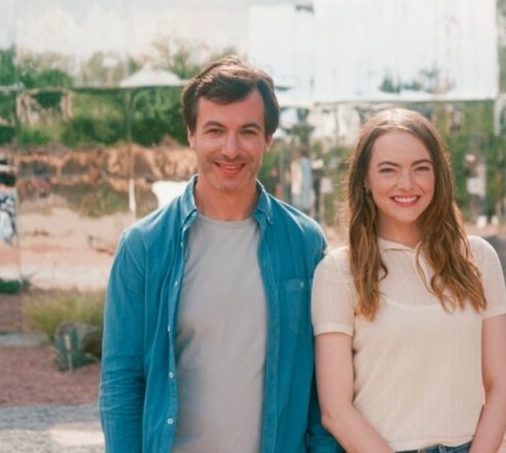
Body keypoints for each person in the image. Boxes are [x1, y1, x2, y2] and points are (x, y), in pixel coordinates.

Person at [99, 56, 336, 452]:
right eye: (215, 130)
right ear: (191, 134)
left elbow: (320, 384)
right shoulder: (143, 246)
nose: (231, 149)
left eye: (247, 131)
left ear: (267, 139)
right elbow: (122, 382)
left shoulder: (305, 244)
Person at [312, 108, 506, 453]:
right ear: (365, 179)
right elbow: (336, 410)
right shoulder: (338, 272)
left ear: (439, 175)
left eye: (421, 168)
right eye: (388, 170)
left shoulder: (478, 258)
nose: (407, 184)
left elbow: (501, 388)